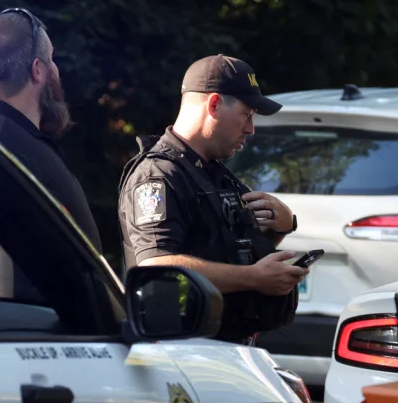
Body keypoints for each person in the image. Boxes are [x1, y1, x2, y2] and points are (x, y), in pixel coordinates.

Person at [117, 54, 306, 344]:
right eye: (247, 114)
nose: (250, 129)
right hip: (180, 350)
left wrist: (279, 227)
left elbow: (230, 253)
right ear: (214, 104)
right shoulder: (158, 175)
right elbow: (156, 266)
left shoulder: (213, 173)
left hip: (221, 347)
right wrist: (254, 278)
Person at [0, 7, 102, 301]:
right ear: (37, 70)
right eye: (52, 60)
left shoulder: (12, 135)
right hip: (30, 340)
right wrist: (1, 346)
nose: (56, 70)